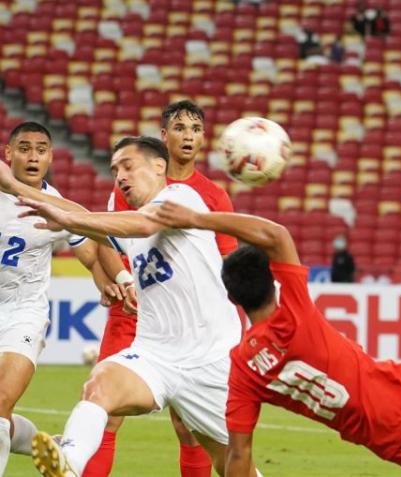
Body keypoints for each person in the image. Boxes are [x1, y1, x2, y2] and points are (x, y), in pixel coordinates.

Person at [144, 173, 401, 477]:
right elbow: (276, 234)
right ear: (275, 279)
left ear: (232, 298)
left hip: (397, 448)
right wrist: (197, 217)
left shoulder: (244, 369)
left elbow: (238, 454)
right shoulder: (294, 313)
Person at [16, 137, 257, 477]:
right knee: (100, 384)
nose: (120, 177)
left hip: (210, 359)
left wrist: (66, 217)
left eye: (128, 166)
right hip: (155, 355)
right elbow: (101, 223)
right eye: (115, 170)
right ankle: (69, 461)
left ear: (159, 166)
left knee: (232, 465)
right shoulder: (132, 224)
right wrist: (59, 213)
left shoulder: (180, 198)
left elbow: (142, 224)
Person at [88, 100, 238, 477]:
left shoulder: (213, 195)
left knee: (191, 430)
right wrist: (118, 280)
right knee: (104, 412)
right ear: (163, 137)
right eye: (180, 127)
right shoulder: (130, 179)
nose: (188, 135)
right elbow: (108, 238)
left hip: (190, 327)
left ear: (203, 138)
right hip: (132, 317)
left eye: (195, 128)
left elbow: (226, 262)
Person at [0, 122, 120, 476]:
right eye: (24, 148)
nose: (32, 156)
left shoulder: (58, 207)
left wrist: (104, 280)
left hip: (24, 313)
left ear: (51, 157)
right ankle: (42, 442)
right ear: (8, 154)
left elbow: (89, 246)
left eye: (40, 149)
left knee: (1, 402)